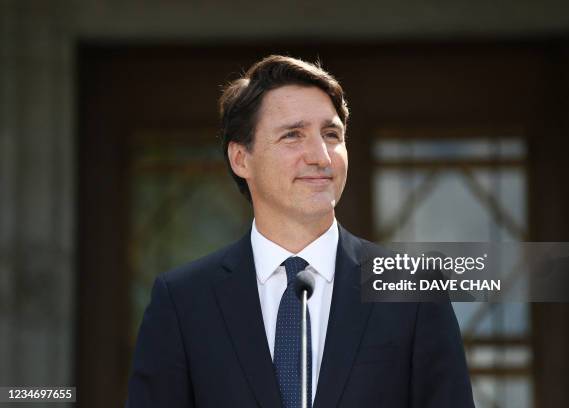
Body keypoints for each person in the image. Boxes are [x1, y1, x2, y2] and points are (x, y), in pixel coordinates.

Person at [126, 55, 475, 407]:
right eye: (293, 135)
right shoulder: (183, 301)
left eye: (331, 134)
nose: (321, 156)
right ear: (241, 159)